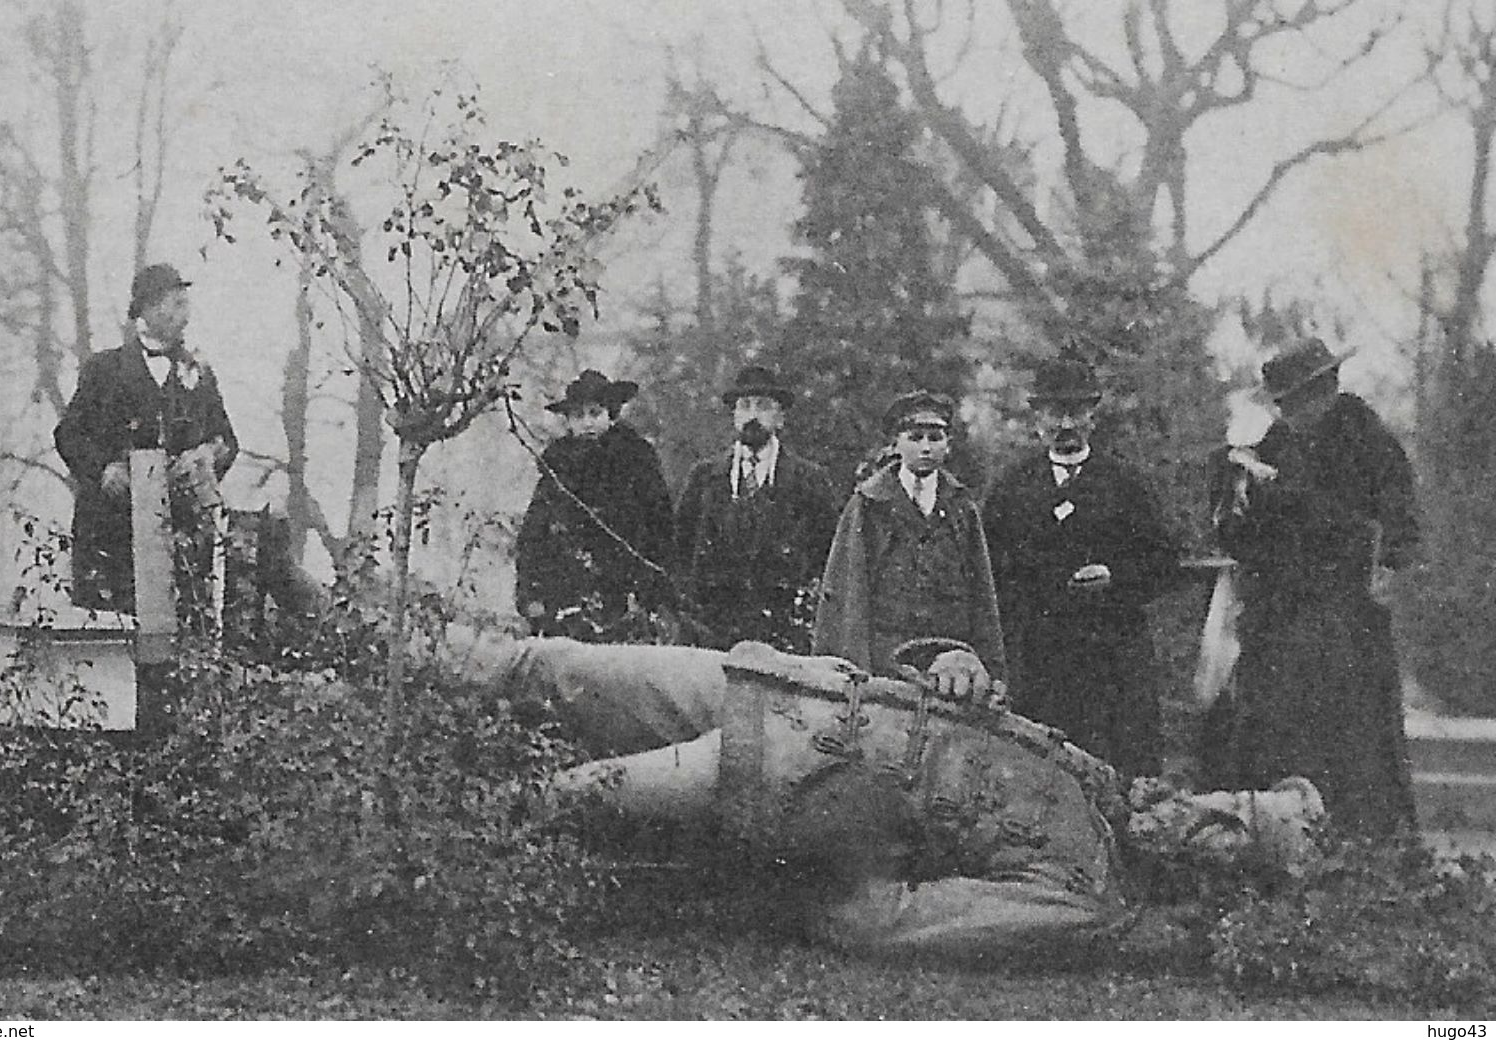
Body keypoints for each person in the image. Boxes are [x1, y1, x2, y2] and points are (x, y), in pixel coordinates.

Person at [444, 629, 1326, 957]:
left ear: (1213, 883)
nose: (1198, 810)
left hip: (789, 780)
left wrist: (813, 851)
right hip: (784, 686)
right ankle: (357, 631)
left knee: (560, 798)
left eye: (1223, 835)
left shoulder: (1079, 894)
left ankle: (396, 830)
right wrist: (953, 661)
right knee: (544, 664)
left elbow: (895, 919)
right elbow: (956, 694)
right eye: (1226, 800)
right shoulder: (1098, 778)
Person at [1209, 336, 1418, 837]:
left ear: (1325, 390)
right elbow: (1247, 532)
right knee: (1272, 726)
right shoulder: (1278, 442)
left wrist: (1285, 494)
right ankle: (1282, 834)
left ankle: (1358, 842)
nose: (1287, 413)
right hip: (1279, 615)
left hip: (1341, 620)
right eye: (1281, 403)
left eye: (1296, 401)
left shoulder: (1363, 438)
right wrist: (1235, 496)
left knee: (1351, 738)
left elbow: (1389, 526)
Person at [983, 358, 1182, 775]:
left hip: (1112, 658)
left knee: (1119, 769)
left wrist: (1116, 576)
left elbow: (1164, 561)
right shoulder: (1011, 488)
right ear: (1037, 417)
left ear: (1093, 414)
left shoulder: (1125, 483)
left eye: (1075, 411)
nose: (1065, 423)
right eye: (1055, 412)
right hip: (1040, 658)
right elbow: (990, 571)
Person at [54, 263, 238, 614]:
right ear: (149, 308)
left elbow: (227, 439)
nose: (185, 314)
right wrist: (103, 470)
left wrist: (208, 456)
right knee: (108, 637)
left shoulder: (198, 373)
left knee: (179, 640)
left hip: (179, 536)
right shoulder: (105, 369)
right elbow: (69, 434)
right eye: (176, 303)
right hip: (111, 531)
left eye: (186, 304)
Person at [813, 389, 1006, 680]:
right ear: (896, 444)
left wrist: (993, 672)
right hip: (885, 662)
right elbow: (849, 593)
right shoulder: (868, 505)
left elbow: (982, 596)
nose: (926, 448)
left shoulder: (962, 508)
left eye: (935, 438)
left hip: (950, 666)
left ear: (948, 445)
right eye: (915, 438)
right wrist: (856, 672)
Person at [674, 366, 838, 651]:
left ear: (780, 418)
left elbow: (826, 557)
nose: (752, 415)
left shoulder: (809, 479)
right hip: (712, 630)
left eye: (763, 407)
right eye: (744, 406)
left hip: (781, 629)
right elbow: (680, 550)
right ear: (734, 415)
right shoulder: (704, 477)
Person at [514, 369, 674, 641]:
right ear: (569, 421)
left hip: (622, 597)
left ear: (611, 415)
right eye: (578, 415)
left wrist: (649, 594)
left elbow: (661, 530)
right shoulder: (557, 469)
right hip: (565, 599)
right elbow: (533, 535)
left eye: (595, 413)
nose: (587, 423)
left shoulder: (637, 462)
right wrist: (532, 595)